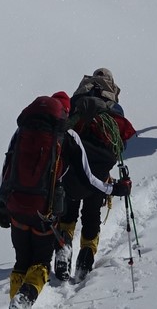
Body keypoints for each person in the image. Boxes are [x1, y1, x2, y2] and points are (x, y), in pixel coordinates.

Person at [53, 70, 137, 282]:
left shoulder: (77, 103)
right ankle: (86, 256)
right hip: (99, 174)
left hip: (72, 170)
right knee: (92, 216)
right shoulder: (114, 110)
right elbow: (120, 146)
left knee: (68, 214)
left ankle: (64, 246)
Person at [0, 95, 70, 308]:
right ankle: (24, 298)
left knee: (21, 262)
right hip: (43, 212)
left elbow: (7, 167)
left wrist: (2, 204)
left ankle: (15, 301)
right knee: (40, 263)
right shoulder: (64, 136)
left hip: (16, 206)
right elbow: (80, 173)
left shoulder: (21, 132)